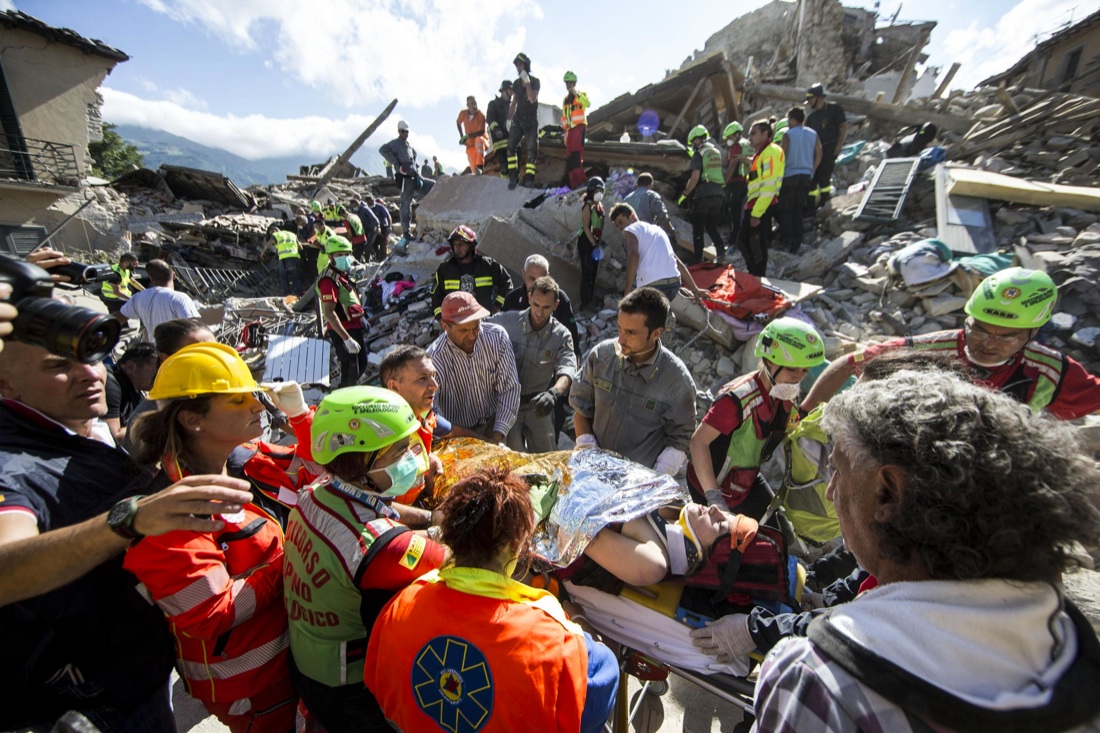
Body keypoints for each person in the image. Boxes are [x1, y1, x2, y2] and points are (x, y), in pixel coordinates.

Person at [753, 369, 1100, 731]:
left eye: (837, 470)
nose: (829, 491)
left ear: (887, 493)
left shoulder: (818, 681)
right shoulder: (1067, 641)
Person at [0, 337, 252, 731]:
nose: (90, 374)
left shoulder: (80, 432)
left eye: (93, 358)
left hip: (133, 672)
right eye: (56, 366)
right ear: (6, 385)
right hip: (90, 701)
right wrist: (128, 520)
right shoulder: (11, 466)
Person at [123, 343, 313, 733]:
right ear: (193, 419)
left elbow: (309, 471)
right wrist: (291, 560)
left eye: (253, 396)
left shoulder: (242, 458)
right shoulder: (171, 513)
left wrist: (300, 416)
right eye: (238, 401)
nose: (258, 407)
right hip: (249, 684)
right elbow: (211, 612)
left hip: (282, 662)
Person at [365, 466, 619, 733]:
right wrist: (578, 619)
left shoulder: (401, 604)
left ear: (448, 533)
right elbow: (599, 690)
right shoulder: (560, 641)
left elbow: (378, 684)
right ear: (517, 545)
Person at [284, 386, 446, 732]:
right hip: (348, 687)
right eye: (399, 449)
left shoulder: (317, 492)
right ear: (359, 460)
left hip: (307, 660)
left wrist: (431, 519)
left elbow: (380, 508)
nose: (411, 457)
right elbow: (448, 557)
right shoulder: (379, 547)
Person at [802, 267, 1100, 418]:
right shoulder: (930, 348)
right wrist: (804, 415)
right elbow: (848, 363)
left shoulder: (1050, 372)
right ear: (966, 320)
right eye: (979, 330)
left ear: (1031, 335)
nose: (988, 343)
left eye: (1006, 336)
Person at [688, 318, 825, 519]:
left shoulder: (785, 394)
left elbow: (792, 430)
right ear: (769, 360)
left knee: (780, 531)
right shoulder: (737, 399)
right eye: (792, 369)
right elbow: (698, 442)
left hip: (744, 481)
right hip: (711, 484)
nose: (798, 377)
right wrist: (713, 497)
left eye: (805, 370)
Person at [570, 287, 696, 473]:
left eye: (630, 333)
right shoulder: (602, 357)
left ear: (656, 333)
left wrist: (656, 477)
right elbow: (581, 409)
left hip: (636, 487)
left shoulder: (676, 381)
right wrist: (588, 451)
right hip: (590, 470)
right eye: (619, 328)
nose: (620, 339)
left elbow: (681, 436)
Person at [379, 345, 480, 506]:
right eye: (422, 379)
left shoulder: (425, 416)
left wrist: (495, 443)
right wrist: (430, 520)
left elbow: (453, 430)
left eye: (433, 376)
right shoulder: (378, 434)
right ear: (394, 386)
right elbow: (374, 505)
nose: (435, 385)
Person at [489, 276, 577, 453]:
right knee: (510, 458)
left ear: (556, 305)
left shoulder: (561, 335)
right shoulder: (506, 322)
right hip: (507, 405)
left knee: (546, 459)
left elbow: (568, 368)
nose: (539, 312)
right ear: (529, 298)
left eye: (546, 307)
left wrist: (554, 393)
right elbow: (476, 329)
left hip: (539, 406)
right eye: (536, 305)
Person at [427, 291, 520, 444]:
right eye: (464, 330)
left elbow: (509, 389)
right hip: (456, 435)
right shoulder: (434, 358)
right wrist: (473, 440)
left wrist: (498, 436)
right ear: (445, 326)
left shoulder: (497, 338)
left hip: (493, 424)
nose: (472, 336)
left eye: (476, 327)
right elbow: (432, 413)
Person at [610, 202, 704, 301]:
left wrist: (627, 292)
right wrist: (695, 289)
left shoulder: (629, 230)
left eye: (621, 222)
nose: (620, 228)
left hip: (653, 285)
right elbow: (676, 261)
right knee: (661, 311)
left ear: (632, 217)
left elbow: (633, 256)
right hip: (674, 283)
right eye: (617, 225)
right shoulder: (658, 230)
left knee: (646, 313)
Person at [502, 254, 580, 356]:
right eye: (532, 278)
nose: (536, 284)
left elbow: (572, 341)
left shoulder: (560, 300)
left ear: (547, 276)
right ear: (523, 274)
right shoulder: (512, 299)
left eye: (540, 279)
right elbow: (499, 333)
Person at [429, 225, 512, 318]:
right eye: (455, 244)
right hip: (456, 322)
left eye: (461, 244)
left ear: (471, 246)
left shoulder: (487, 265)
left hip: (483, 321)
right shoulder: (445, 269)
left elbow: (507, 282)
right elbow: (435, 296)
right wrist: (440, 318)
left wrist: (498, 304)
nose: (457, 248)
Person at [317, 237, 367, 388]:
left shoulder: (341, 275)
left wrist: (362, 318)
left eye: (346, 254)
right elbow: (329, 313)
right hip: (343, 330)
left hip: (353, 326)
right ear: (331, 257)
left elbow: (349, 298)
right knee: (350, 371)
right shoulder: (328, 280)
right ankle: (344, 399)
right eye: (339, 255)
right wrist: (346, 339)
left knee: (361, 363)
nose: (344, 258)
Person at [737, 119, 785, 277]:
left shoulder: (770, 152)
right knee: (748, 242)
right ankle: (755, 275)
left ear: (766, 134)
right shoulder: (762, 153)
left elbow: (769, 185)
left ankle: (757, 277)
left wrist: (757, 213)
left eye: (753, 133)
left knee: (754, 243)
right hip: (756, 204)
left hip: (761, 205)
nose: (749, 137)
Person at [113, 258, 200, 339]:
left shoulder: (139, 297)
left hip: (157, 351)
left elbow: (118, 318)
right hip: (177, 353)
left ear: (151, 278)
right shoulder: (180, 298)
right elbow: (194, 328)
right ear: (174, 275)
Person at [379, 120, 434, 246]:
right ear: (399, 131)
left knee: (433, 186)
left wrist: (419, 176)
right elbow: (382, 150)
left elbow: (415, 163)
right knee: (405, 204)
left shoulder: (410, 147)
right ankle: (406, 232)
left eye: (407, 132)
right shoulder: (394, 144)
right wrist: (398, 165)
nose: (405, 134)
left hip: (414, 177)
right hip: (405, 178)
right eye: (403, 131)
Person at [679, 125, 727, 265]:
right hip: (718, 195)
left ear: (698, 140)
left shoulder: (698, 154)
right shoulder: (715, 152)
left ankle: (698, 260)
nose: (694, 145)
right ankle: (722, 255)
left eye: (694, 142)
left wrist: (685, 193)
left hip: (704, 195)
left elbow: (695, 178)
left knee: (698, 228)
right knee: (711, 227)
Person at [778, 106, 822, 251]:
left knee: (786, 209)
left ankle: (786, 240)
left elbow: (780, 155)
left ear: (791, 119)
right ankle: (797, 240)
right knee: (798, 209)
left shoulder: (788, 134)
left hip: (790, 176)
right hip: (805, 176)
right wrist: (811, 170)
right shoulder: (813, 134)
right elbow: (819, 153)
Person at [103, 340, 159, 442]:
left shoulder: (136, 390)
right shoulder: (109, 383)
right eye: (155, 372)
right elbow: (113, 437)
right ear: (130, 367)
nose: (159, 377)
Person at [804, 82, 847, 207]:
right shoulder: (811, 117)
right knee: (813, 177)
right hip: (815, 150)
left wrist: (839, 145)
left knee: (824, 176)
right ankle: (811, 205)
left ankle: (824, 202)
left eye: (811, 98)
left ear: (819, 97)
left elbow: (843, 127)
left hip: (829, 147)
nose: (810, 101)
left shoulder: (834, 110)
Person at [507, 52, 541, 189]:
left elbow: (532, 99)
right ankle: (513, 177)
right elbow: (514, 103)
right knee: (510, 148)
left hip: (531, 122)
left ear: (526, 65)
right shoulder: (515, 84)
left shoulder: (535, 82)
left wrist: (527, 82)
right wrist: (508, 119)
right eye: (516, 65)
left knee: (532, 150)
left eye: (520, 64)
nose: (518, 67)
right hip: (518, 120)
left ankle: (529, 179)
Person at [576, 176, 606, 309]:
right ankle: (584, 303)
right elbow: (586, 227)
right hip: (586, 242)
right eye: (597, 190)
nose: (599, 193)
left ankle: (590, 301)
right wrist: (593, 243)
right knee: (587, 273)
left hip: (595, 242)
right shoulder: (588, 206)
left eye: (601, 190)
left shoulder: (600, 207)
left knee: (593, 273)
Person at [623, 171, 676, 243]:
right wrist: (671, 230)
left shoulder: (626, 199)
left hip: (630, 240)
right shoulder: (652, 195)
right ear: (651, 184)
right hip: (647, 237)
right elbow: (662, 216)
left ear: (637, 184)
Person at [723, 122, 752, 244]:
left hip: (736, 183)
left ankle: (734, 240)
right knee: (743, 212)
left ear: (736, 135)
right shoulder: (749, 144)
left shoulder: (737, 146)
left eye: (729, 138)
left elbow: (733, 164)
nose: (728, 141)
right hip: (746, 181)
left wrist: (725, 181)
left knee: (733, 212)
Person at [561, 70, 590, 188]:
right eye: (567, 83)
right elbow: (564, 116)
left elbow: (587, 103)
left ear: (574, 83)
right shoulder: (565, 99)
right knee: (570, 156)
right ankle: (573, 183)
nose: (568, 85)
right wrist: (565, 132)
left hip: (579, 127)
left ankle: (581, 181)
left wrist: (576, 93)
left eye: (570, 83)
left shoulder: (580, 95)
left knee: (576, 155)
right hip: (570, 131)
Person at [262, 222, 304, 295]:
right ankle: (300, 293)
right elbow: (301, 247)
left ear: (273, 231)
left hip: (284, 258)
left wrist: (262, 253)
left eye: (271, 233)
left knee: (283, 276)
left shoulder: (275, 235)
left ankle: (287, 294)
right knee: (295, 276)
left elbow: (268, 245)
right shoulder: (292, 234)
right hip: (295, 257)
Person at [486, 80, 513, 177]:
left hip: (511, 142)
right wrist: (496, 129)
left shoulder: (511, 107)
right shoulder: (493, 104)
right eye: (510, 91)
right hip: (499, 142)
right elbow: (490, 119)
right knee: (504, 168)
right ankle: (505, 187)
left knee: (513, 167)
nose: (511, 94)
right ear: (503, 91)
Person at [456, 95, 489, 175]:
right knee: (474, 169)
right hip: (470, 145)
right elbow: (458, 122)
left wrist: (468, 136)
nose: (474, 106)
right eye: (472, 104)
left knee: (478, 139)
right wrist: (462, 136)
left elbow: (481, 132)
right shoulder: (463, 113)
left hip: (482, 142)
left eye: (475, 103)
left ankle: (480, 166)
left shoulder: (481, 115)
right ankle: (476, 171)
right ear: (468, 106)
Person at [350, 195, 381, 260]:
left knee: (368, 245)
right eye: (353, 206)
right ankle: (369, 258)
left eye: (355, 206)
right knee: (364, 245)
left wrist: (378, 227)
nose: (354, 207)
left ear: (358, 204)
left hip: (372, 228)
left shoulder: (365, 209)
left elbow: (375, 219)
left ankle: (371, 259)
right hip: (365, 229)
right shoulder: (353, 211)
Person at [366, 194, 391, 259]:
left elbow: (388, 216)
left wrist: (389, 226)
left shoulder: (380, 207)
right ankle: (377, 258)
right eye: (369, 202)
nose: (371, 203)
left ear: (373, 200)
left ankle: (383, 258)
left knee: (383, 244)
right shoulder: (367, 208)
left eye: (371, 201)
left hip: (383, 227)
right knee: (375, 244)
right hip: (374, 228)